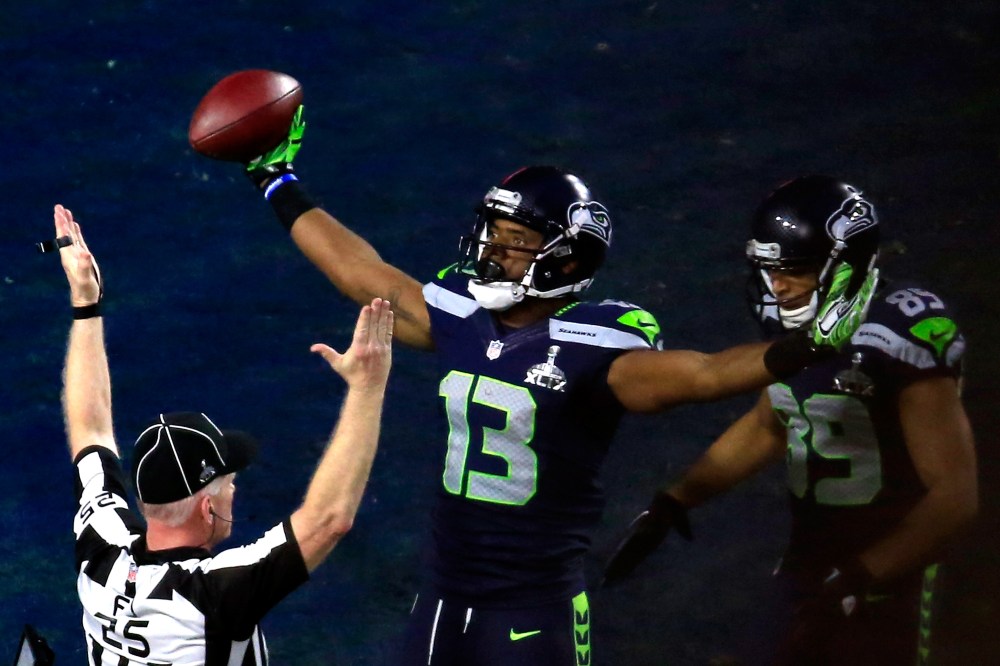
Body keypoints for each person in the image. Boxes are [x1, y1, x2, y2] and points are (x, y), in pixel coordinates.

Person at [226, 112, 875, 665]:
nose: (492, 254)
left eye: (514, 244)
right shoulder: (458, 313)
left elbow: (702, 375)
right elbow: (357, 270)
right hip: (444, 597)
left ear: (565, 259)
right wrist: (274, 179)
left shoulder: (598, 346)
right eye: (493, 235)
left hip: (533, 614)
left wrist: (804, 347)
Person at [602, 176, 978, 665]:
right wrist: (676, 500)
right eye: (768, 270)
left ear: (845, 263)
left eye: (794, 269)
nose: (777, 285)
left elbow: (954, 497)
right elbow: (772, 423)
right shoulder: (793, 329)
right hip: (810, 563)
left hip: (888, 574)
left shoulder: (898, 333)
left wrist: (859, 576)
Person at [54, 203, 394, 665]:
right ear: (207, 505)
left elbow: (90, 430)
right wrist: (367, 388)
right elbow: (329, 519)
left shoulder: (101, 547)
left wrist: (85, 302)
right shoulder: (214, 592)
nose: (235, 489)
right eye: (228, 481)